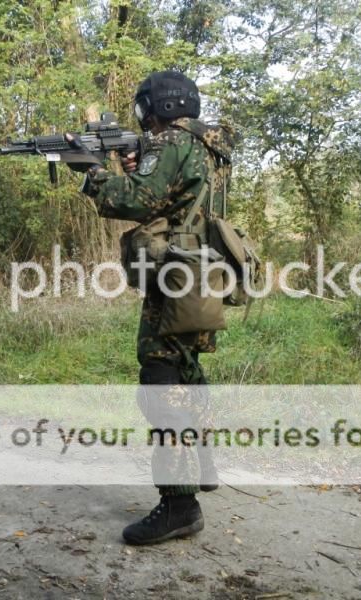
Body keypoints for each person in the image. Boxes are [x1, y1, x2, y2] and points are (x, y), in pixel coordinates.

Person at [65, 71, 235, 545]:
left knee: (161, 380)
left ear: (160, 106)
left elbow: (136, 201)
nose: (142, 117)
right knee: (187, 368)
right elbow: (175, 197)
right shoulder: (209, 145)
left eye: (144, 107)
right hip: (202, 273)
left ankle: (179, 505)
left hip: (175, 277)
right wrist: (137, 162)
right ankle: (202, 464)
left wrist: (92, 172)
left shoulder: (171, 142)